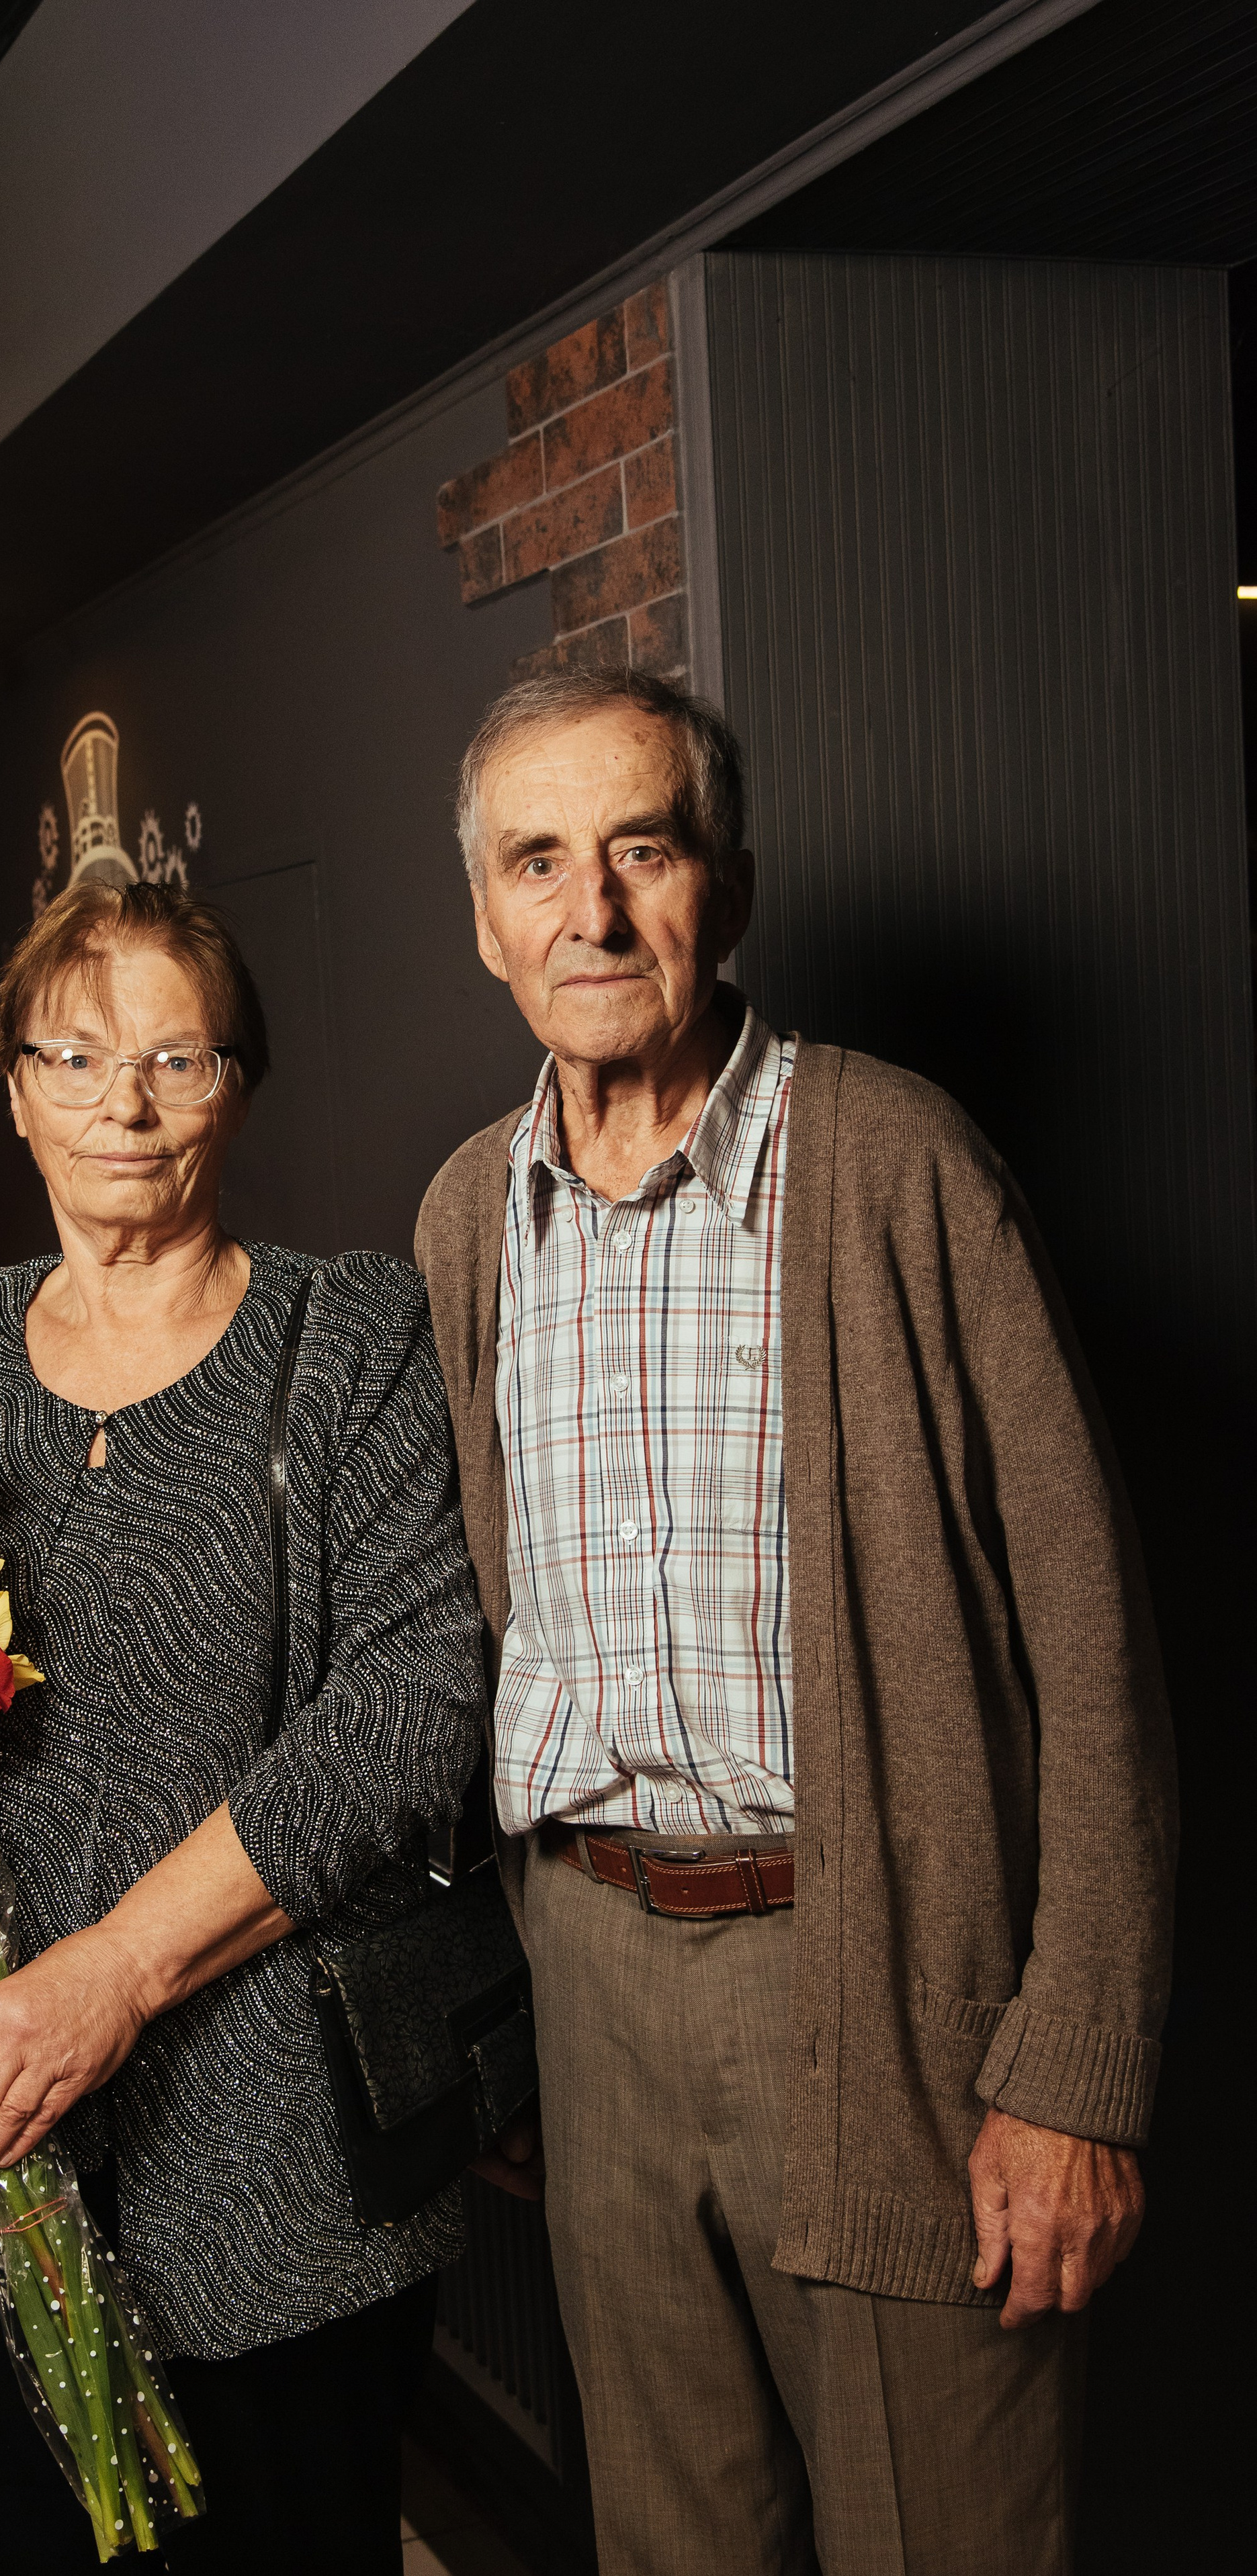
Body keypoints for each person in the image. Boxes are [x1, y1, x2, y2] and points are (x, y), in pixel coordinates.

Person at [414, 666, 1176, 2576]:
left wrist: (1072, 2066)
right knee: (672, 2542)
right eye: (538, 861)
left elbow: (1092, 1639)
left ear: (723, 892)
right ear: (487, 919)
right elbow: (471, 1653)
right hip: (592, 1982)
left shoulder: (893, 1162)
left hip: (885, 1977)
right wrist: (505, 2019)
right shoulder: (462, 1218)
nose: (591, 910)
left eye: (640, 850)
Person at [0, 878, 484, 2575]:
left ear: (237, 1086)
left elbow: (411, 1702)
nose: (125, 1101)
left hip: (267, 2153)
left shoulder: (347, 1332)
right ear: (14, 1086)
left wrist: (111, 1970)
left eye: (176, 1058)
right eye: (79, 1055)